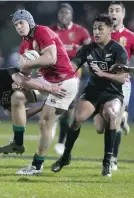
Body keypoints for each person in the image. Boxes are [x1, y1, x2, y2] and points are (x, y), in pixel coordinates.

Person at [0, 9, 79, 175]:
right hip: (47, 81)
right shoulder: (24, 45)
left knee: (44, 123)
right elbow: (25, 74)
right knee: (17, 96)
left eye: (21, 23)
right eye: (16, 25)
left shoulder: (42, 31)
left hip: (65, 81)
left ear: (29, 21)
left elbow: (51, 58)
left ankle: (36, 166)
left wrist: (28, 64)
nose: (19, 27)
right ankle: (18, 142)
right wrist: (20, 81)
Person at [51, 14, 128, 177]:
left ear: (110, 31)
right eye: (94, 28)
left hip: (112, 93)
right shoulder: (88, 48)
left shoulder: (118, 50)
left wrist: (105, 74)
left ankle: (107, 162)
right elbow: (72, 65)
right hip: (93, 92)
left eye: (100, 29)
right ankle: (65, 157)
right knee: (77, 118)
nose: (96, 32)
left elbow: (122, 78)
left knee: (112, 115)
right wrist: (59, 73)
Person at [94, 1, 134, 171]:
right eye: (110, 10)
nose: (113, 13)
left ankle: (112, 158)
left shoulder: (130, 36)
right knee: (100, 128)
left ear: (123, 14)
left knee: (114, 116)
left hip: (122, 84)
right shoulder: (102, 33)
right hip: (101, 84)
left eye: (116, 10)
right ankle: (121, 119)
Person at [49, 3, 91, 155]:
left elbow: (90, 49)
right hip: (54, 71)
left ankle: (61, 140)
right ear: (58, 15)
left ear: (71, 15)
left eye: (67, 13)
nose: (64, 16)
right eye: (61, 13)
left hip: (74, 72)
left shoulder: (81, 32)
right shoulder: (51, 31)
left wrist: (83, 53)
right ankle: (50, 123)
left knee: (70, 107)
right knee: (55, 102)